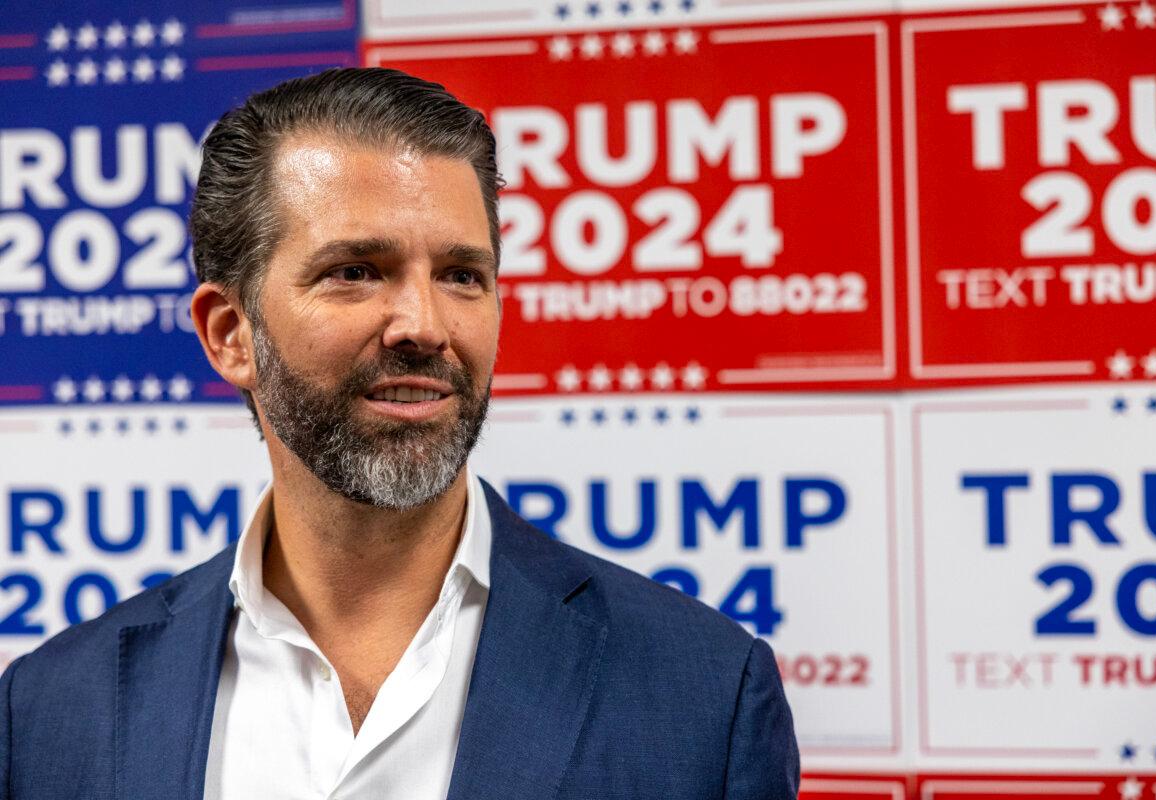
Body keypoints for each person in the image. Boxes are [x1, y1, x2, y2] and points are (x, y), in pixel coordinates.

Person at [0, 68, 799, 799]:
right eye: (355, 271)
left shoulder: (704, 697)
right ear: (230, 332)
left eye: (461, 276)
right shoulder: (48, 714)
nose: (423, 325)